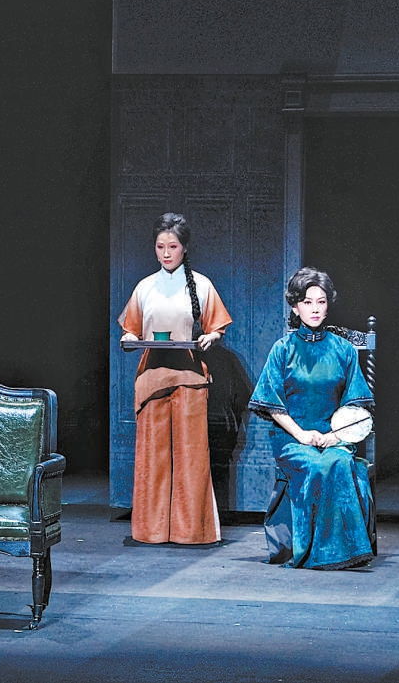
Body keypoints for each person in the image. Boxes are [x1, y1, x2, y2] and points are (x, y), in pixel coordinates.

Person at [248, 267, 375, 570]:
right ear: (295, 307)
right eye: (307, 302)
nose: (315, 309)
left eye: (321, 301)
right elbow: (272, 404)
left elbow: (357, 407)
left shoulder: (343, 350)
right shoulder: (283, 349)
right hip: (292, 438)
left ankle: (346, 552)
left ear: (328, 304)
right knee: (317, 465)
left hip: (334, 436)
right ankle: (317, 553)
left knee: (338, 461)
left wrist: (335, 436)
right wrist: (302, 435)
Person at [118, 212, 232, 545]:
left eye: (172, 246)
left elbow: (217, 328)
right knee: (153, 458)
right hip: (152, 379)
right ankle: (151, 530)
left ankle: (191, 531)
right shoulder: (145, 287)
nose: (166, 253)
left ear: (184, 248)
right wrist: (129, 339)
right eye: (160, 247)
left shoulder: (202, 285)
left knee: (190, 457)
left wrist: (211, 337)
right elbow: (130, 329)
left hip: (190, 378)